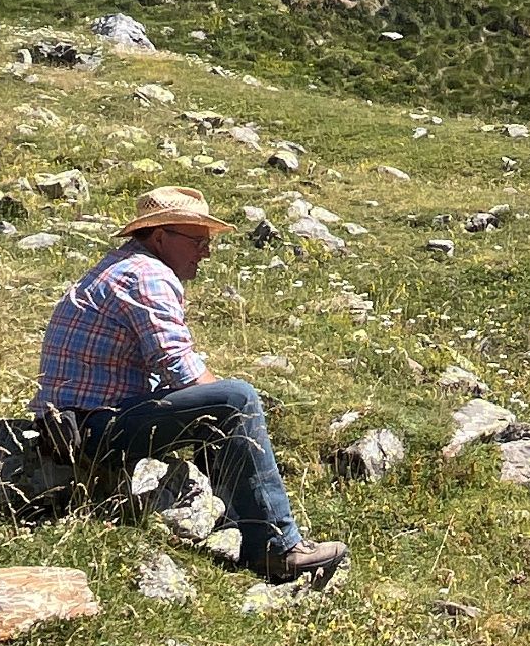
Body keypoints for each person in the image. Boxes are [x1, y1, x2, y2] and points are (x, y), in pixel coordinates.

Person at [32, 185, 345, 585]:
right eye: (197, 241)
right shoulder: (147, 276)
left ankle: (238, 521)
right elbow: (179, 369)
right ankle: (275, 547)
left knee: (223, 402)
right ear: (160, 236)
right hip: (92, 427)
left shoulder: (123, 266)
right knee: (235, 399)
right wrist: (235, 406)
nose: (206, 252)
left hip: (73, 423)